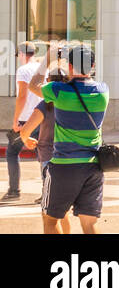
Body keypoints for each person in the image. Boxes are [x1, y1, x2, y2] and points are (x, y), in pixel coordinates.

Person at [40, 44, 108, 235]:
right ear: (93, 65)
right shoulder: (103, 91)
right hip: (93, 165)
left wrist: (48, 59)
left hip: (64, 165)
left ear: (69, 66)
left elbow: (32, 86)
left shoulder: (57, 90)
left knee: (50, 220)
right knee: (90, 224)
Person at [19, 58, 70, 233]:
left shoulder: (45, 104)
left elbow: (25, 130)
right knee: (63, 211)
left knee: (48, 213)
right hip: (70, 159)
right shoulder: (71, 102)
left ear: (48, 82)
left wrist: (26, 139)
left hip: (50, 159)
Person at [5, 42, 40, 202]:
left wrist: (15, 120)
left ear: (21, 54)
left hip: (25, 119)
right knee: (44, 154)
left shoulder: (23, 70)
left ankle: (14, 191)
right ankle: (47, 192)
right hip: (41, 116)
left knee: (12, 152)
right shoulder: (42, 69)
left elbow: (22, 97)